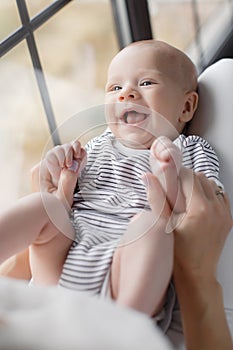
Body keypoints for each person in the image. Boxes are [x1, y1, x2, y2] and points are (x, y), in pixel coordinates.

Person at [0, 40, 223, 326]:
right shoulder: (98, 145)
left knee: (150, 226)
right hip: (62, 264)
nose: (126, 94)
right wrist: (61, 167)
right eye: (115, 88)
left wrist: (170, 173)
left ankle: (122, 330)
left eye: (146, 82)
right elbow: (67, 199)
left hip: (123, 282)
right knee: (43, 205)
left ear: (186, 106)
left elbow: (201, 214)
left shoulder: (191, 148)